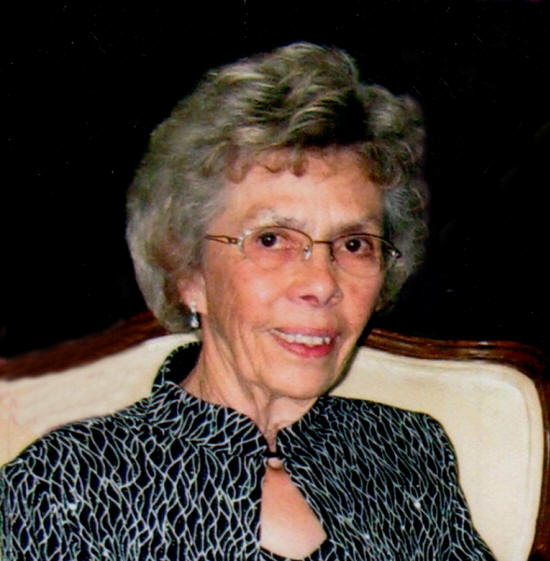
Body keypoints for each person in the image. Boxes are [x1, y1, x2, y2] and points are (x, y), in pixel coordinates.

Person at [0, 42, 495, 560]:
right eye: (271, 240)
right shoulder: (61, 490)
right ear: (188, 272)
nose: (321, 283)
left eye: (354, 245)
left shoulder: (406, 454)